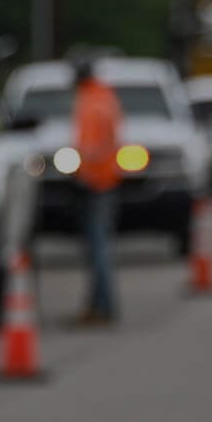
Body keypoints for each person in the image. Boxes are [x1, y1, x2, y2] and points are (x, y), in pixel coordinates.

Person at [70, 55, 123, 327]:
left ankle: (102, 306)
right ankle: (99, 304)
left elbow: (89, 149)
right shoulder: (107, 98)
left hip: (95, 183)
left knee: (97, 248)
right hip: (109, 180)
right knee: (100, 246)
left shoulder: (90, 104)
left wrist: (80, 174)